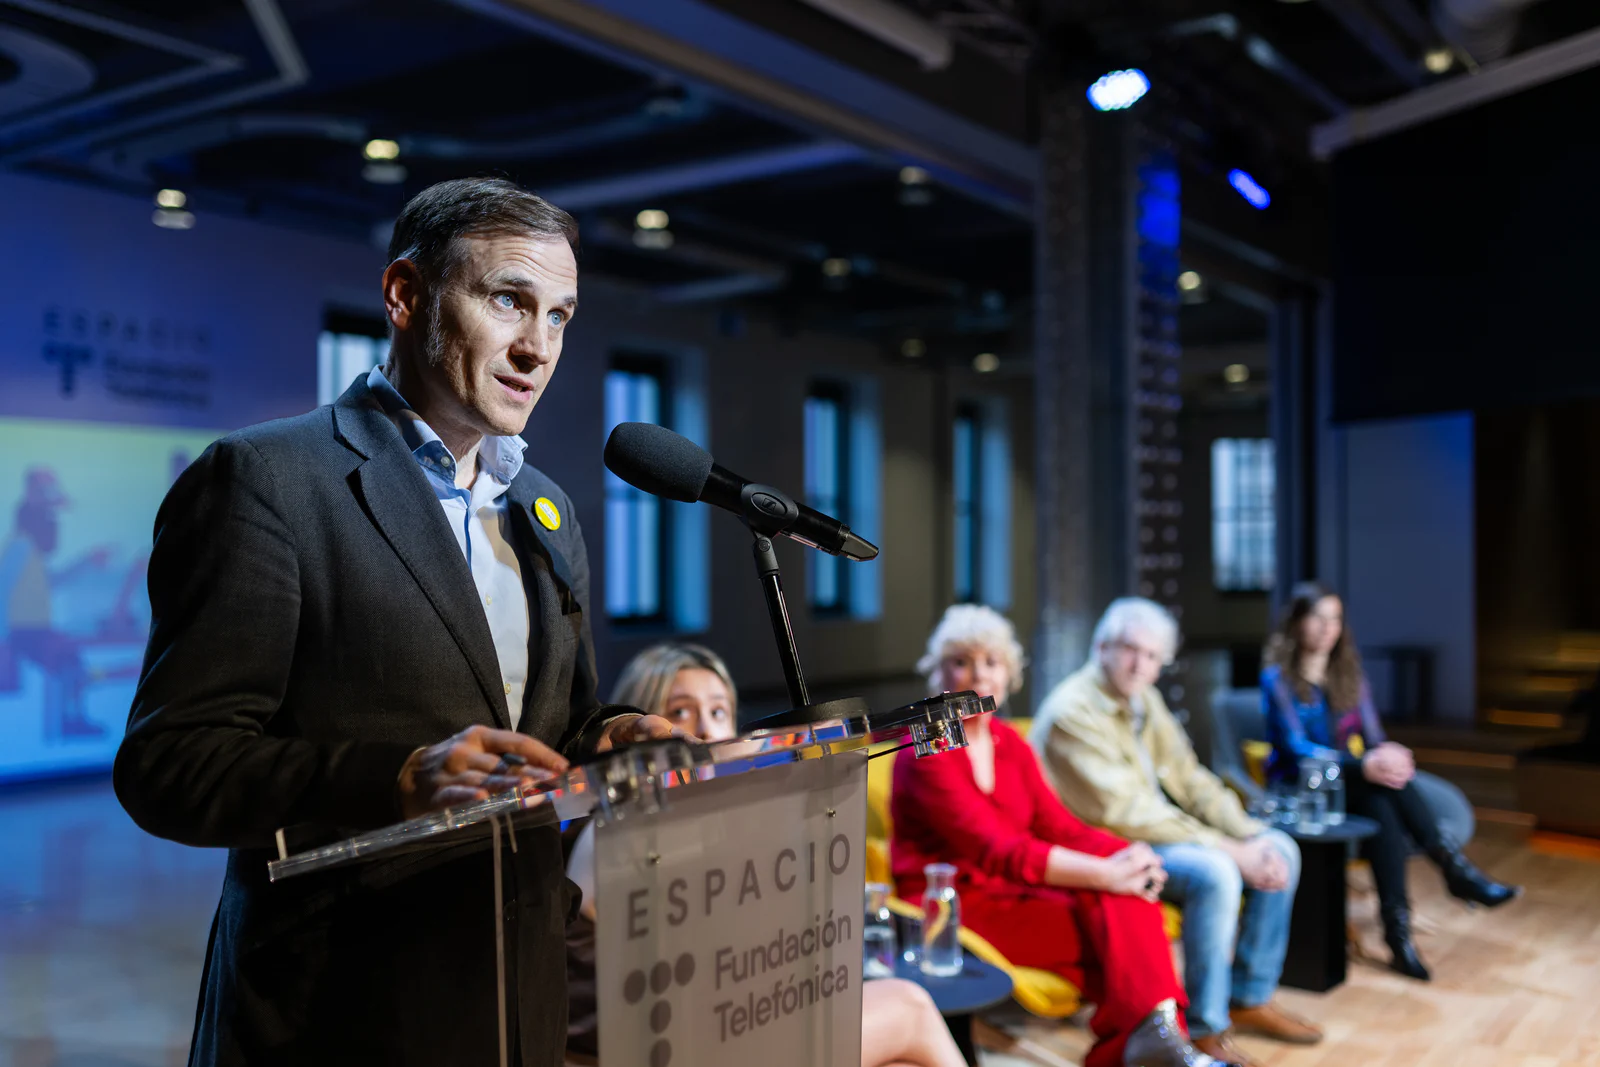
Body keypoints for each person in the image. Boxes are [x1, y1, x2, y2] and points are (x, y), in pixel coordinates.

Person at [113, 178, 676, 1067]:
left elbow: (556, 724)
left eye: (561, 316)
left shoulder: (544, 508)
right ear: (405, 296)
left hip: (516, 997)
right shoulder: (266, 481)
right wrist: (400, 779)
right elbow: (169, 764)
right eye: (508, 300)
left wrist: (617, 736)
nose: (538, 347)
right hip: (342, 1011)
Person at [564, 642, 967, 1067]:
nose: (705, 730)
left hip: (724, 1029)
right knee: (911, 1007)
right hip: (665, 1048)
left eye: (719, 712)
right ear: (635, 730)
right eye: (680, 712)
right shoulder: (622, 830)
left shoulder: (707, 826)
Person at [891, 605, 1234, 1067]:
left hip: (1018, 888)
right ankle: (1149, 1046)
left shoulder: (1009, 744)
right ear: (939, 671)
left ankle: (1156, 1044)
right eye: (961, 660)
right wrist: (1106, 873)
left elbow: (1059, 826)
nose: (977, 674)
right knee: (1120, 932)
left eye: (991, 662)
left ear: (1007, 674)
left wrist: (1128, 855)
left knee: (1127, 901)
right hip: (952, 907)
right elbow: (997, 849)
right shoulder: (924, 746)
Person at [1033, 598, 1320, 1067]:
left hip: (1147, 834)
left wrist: (1248, 833)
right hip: (1102, 848)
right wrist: (1229, 849)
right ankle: (1206, 1028)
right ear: (1102, 646)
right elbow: (1127, 811)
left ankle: (1249, 996)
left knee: (1279, 848)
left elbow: (1189, 778)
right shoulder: (1073, 711)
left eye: (1152, 656)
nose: (1140, 664)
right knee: (1217, 871)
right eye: (1130, 650)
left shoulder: (1143, 699)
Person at [1262, 581, 1519, 981]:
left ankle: (1403, 934)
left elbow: (1375, 737)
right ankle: (1449, 879)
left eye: (1335, 618)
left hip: (1355, 786)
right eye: (1317, 617)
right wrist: (1362, 764)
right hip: (1306, 790)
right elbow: (1297, 749)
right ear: (1297, 624)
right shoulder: (1276, 679)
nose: (1327, 628)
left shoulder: (1350, 675)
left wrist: (1388, 756)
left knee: (1385, 799)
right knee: (1379, 795)